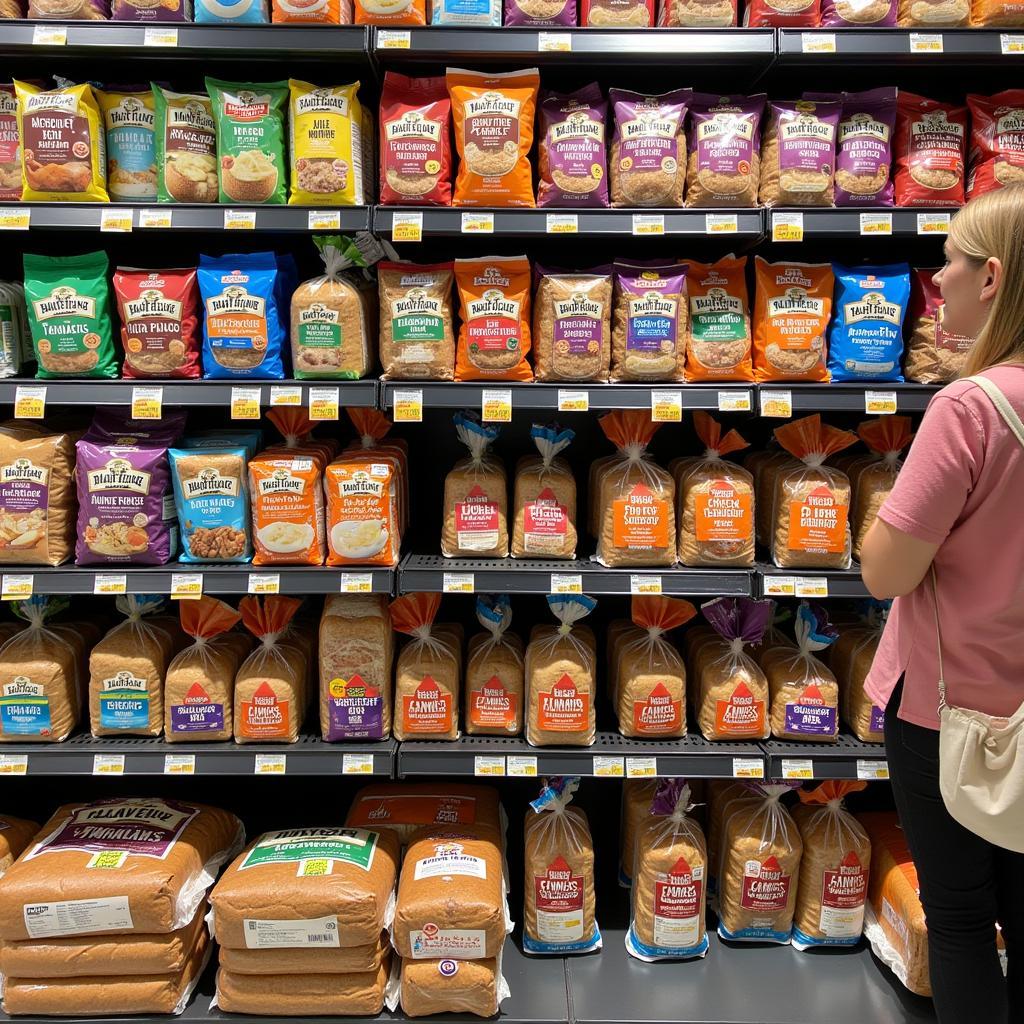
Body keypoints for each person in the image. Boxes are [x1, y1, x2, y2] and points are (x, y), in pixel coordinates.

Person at [860, 186, 1024, 1024]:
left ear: (992, 277)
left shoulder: (970, 408)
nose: (939, 277)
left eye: (952, 259)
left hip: (949, 714)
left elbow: (885, 572)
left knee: (961, 923)